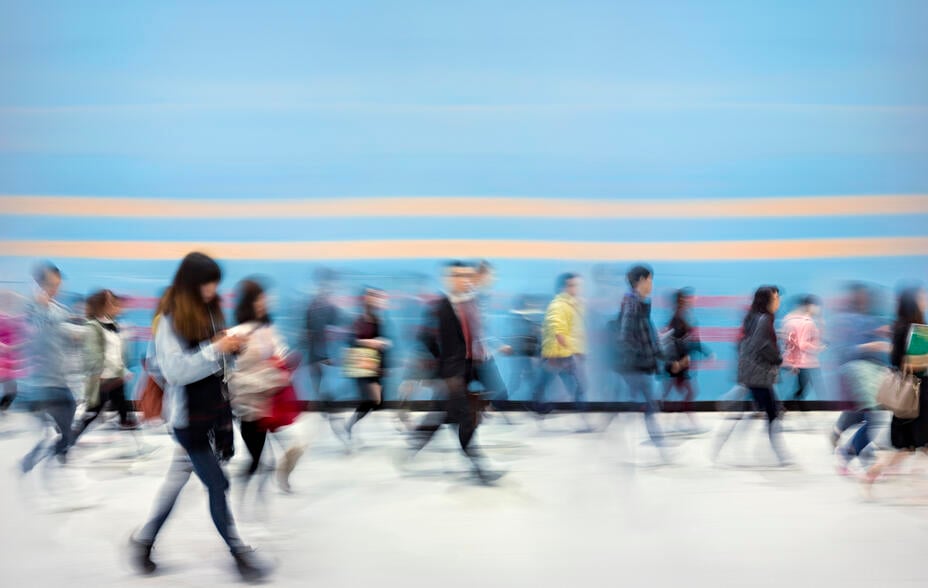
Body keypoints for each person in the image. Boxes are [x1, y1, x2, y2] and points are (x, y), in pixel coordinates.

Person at [129, 252, 270, 582]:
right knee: (218, 484)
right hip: (187, 419)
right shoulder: (169, 319)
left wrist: (231, 350)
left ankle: (144, 541)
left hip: (213, 413)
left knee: (178, 481)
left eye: (215, 284)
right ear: (191, 283)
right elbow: (176, 372)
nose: (212, 290)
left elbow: (217, 367)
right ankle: (238, 552)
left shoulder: (210, 310)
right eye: (208, 283)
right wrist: (216, 349)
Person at [401, 262, 503, 484]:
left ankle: (416, 439)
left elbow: (474, 336)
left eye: (466, 274)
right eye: (457, 275)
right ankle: (480, 468)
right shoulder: (438, 307)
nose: (463, 279)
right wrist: (442, 369)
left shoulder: (468, 304)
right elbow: (424, 338)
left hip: (467, 370)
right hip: (451, 375)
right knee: (466, 418)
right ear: (448, 279)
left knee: (444, 413)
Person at [227, 279, 305, 493]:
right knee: (256, 461)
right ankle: (233, 498)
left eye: (265, 299)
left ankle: (280, 479)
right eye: (260, 299)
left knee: (295, 446)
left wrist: (284, 364)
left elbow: (280, 353)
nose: (265, 303)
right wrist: (271, 375)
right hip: (250, 407)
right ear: (249, 303)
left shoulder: (268, 329)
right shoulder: (237, 333)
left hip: (272, 403)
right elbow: (233, 374)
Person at [714, 286, 792, 466]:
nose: (778, 301)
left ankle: (722, 446)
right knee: (772, 413)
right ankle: (779, 454)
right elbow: (762, 346)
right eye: (776, 298)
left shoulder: (754, 317)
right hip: (758, 375)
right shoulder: (764, 319)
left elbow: (751, 342)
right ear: (767, 301)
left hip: (751, 373)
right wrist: (779, 358)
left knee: (756, 412)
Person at [863, 287, 928, 488]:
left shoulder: (901, 327)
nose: (925, 299)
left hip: (909, 396)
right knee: (912, 446)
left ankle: (871, 475)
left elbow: (896, 360)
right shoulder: (917, 330)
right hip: (918, 395)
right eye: (921, 297)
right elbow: (915, 364)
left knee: (909, 447)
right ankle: (871, 474)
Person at [20, 261, 80, 473]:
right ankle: (47, 456)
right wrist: (40, 307)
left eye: (58, 284)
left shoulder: (60, 310)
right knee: (60, 431)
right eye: (52, 284)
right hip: (41, 381)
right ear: (40, 284)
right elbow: (31, 335)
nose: (56, 289)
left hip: (59, 378)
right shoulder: (30, 308)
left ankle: (53, 454)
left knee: (67, 427)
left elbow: (68, 336)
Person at [71, 289, 137, 443]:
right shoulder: (93, 327)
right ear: (102, 305)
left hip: (114, 377)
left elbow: (115, 352)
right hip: (102, 379)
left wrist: (122, 369)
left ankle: (134, 440)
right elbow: (96, 355)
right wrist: (119, 370)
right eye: (111, 302)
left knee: (123, 410)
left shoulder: (112, 324)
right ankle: (69, 440)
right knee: (93, 413)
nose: (116, 306)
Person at [615, 265, 668, 454]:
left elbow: (645, 333)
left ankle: (660, 447)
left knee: (647, 406)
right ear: (641, 281)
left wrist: (657, 350)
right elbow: (626, 335)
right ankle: (660, 448)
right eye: (650, 279)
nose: (652, 284)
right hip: (636, 366)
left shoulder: (640, 303)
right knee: (647, 406)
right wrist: (641, 355)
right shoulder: (632, 302)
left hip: (640, 365)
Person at [532, 273, 590, 429]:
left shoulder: (573, 304)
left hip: (563, 354)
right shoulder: (558, 305)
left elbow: (576, 330)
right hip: (557, 355)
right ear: (564, 287)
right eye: (573, 285)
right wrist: (575, 351)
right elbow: (559, 333)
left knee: (574, 387)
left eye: (578, 285)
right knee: (577, 387)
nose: (577, 288)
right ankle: (540, 407)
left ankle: (540, 407)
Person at [661, 288, 712, 432]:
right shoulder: (678, 318)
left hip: (679, 363)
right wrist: (681, 361)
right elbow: (680, 342)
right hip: (678, 364)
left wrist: (705, 352)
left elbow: (691, 341)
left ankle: (674, 423)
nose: (691, 301)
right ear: (681, 301)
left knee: (677, 392)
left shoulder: (682, 317)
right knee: (688, 392)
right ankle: (680, 423)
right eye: (687, 299)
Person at [344, 286, 391, 442]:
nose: (375, 299)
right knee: (373, 399)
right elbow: (352, 341)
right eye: (371, 296)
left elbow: (381, 342)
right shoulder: (359, 319)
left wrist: (384, 365)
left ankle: (351, 424)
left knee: (376, 401)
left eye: (376, 296)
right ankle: (350, 425)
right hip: (362, 364)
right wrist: (371, 342)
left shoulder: (378, 319)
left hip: (375, 365)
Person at [305, 268, 342, 411]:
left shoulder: (324, 306)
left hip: (323, 349)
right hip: (318, 349)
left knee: (320, 376)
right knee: (318, 376)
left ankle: (322, 399)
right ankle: (322, 399)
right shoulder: (315, 305)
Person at [781, 295, 826, 404]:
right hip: (806, 361)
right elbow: (803, 343)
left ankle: (788, 404)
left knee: (804, 387)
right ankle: (787, 404)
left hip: (798, 360)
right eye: (816, 306)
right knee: (814, 387)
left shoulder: (789, 319)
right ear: (809, 306)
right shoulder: (806, 322)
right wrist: (818, 348)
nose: (818, 309)